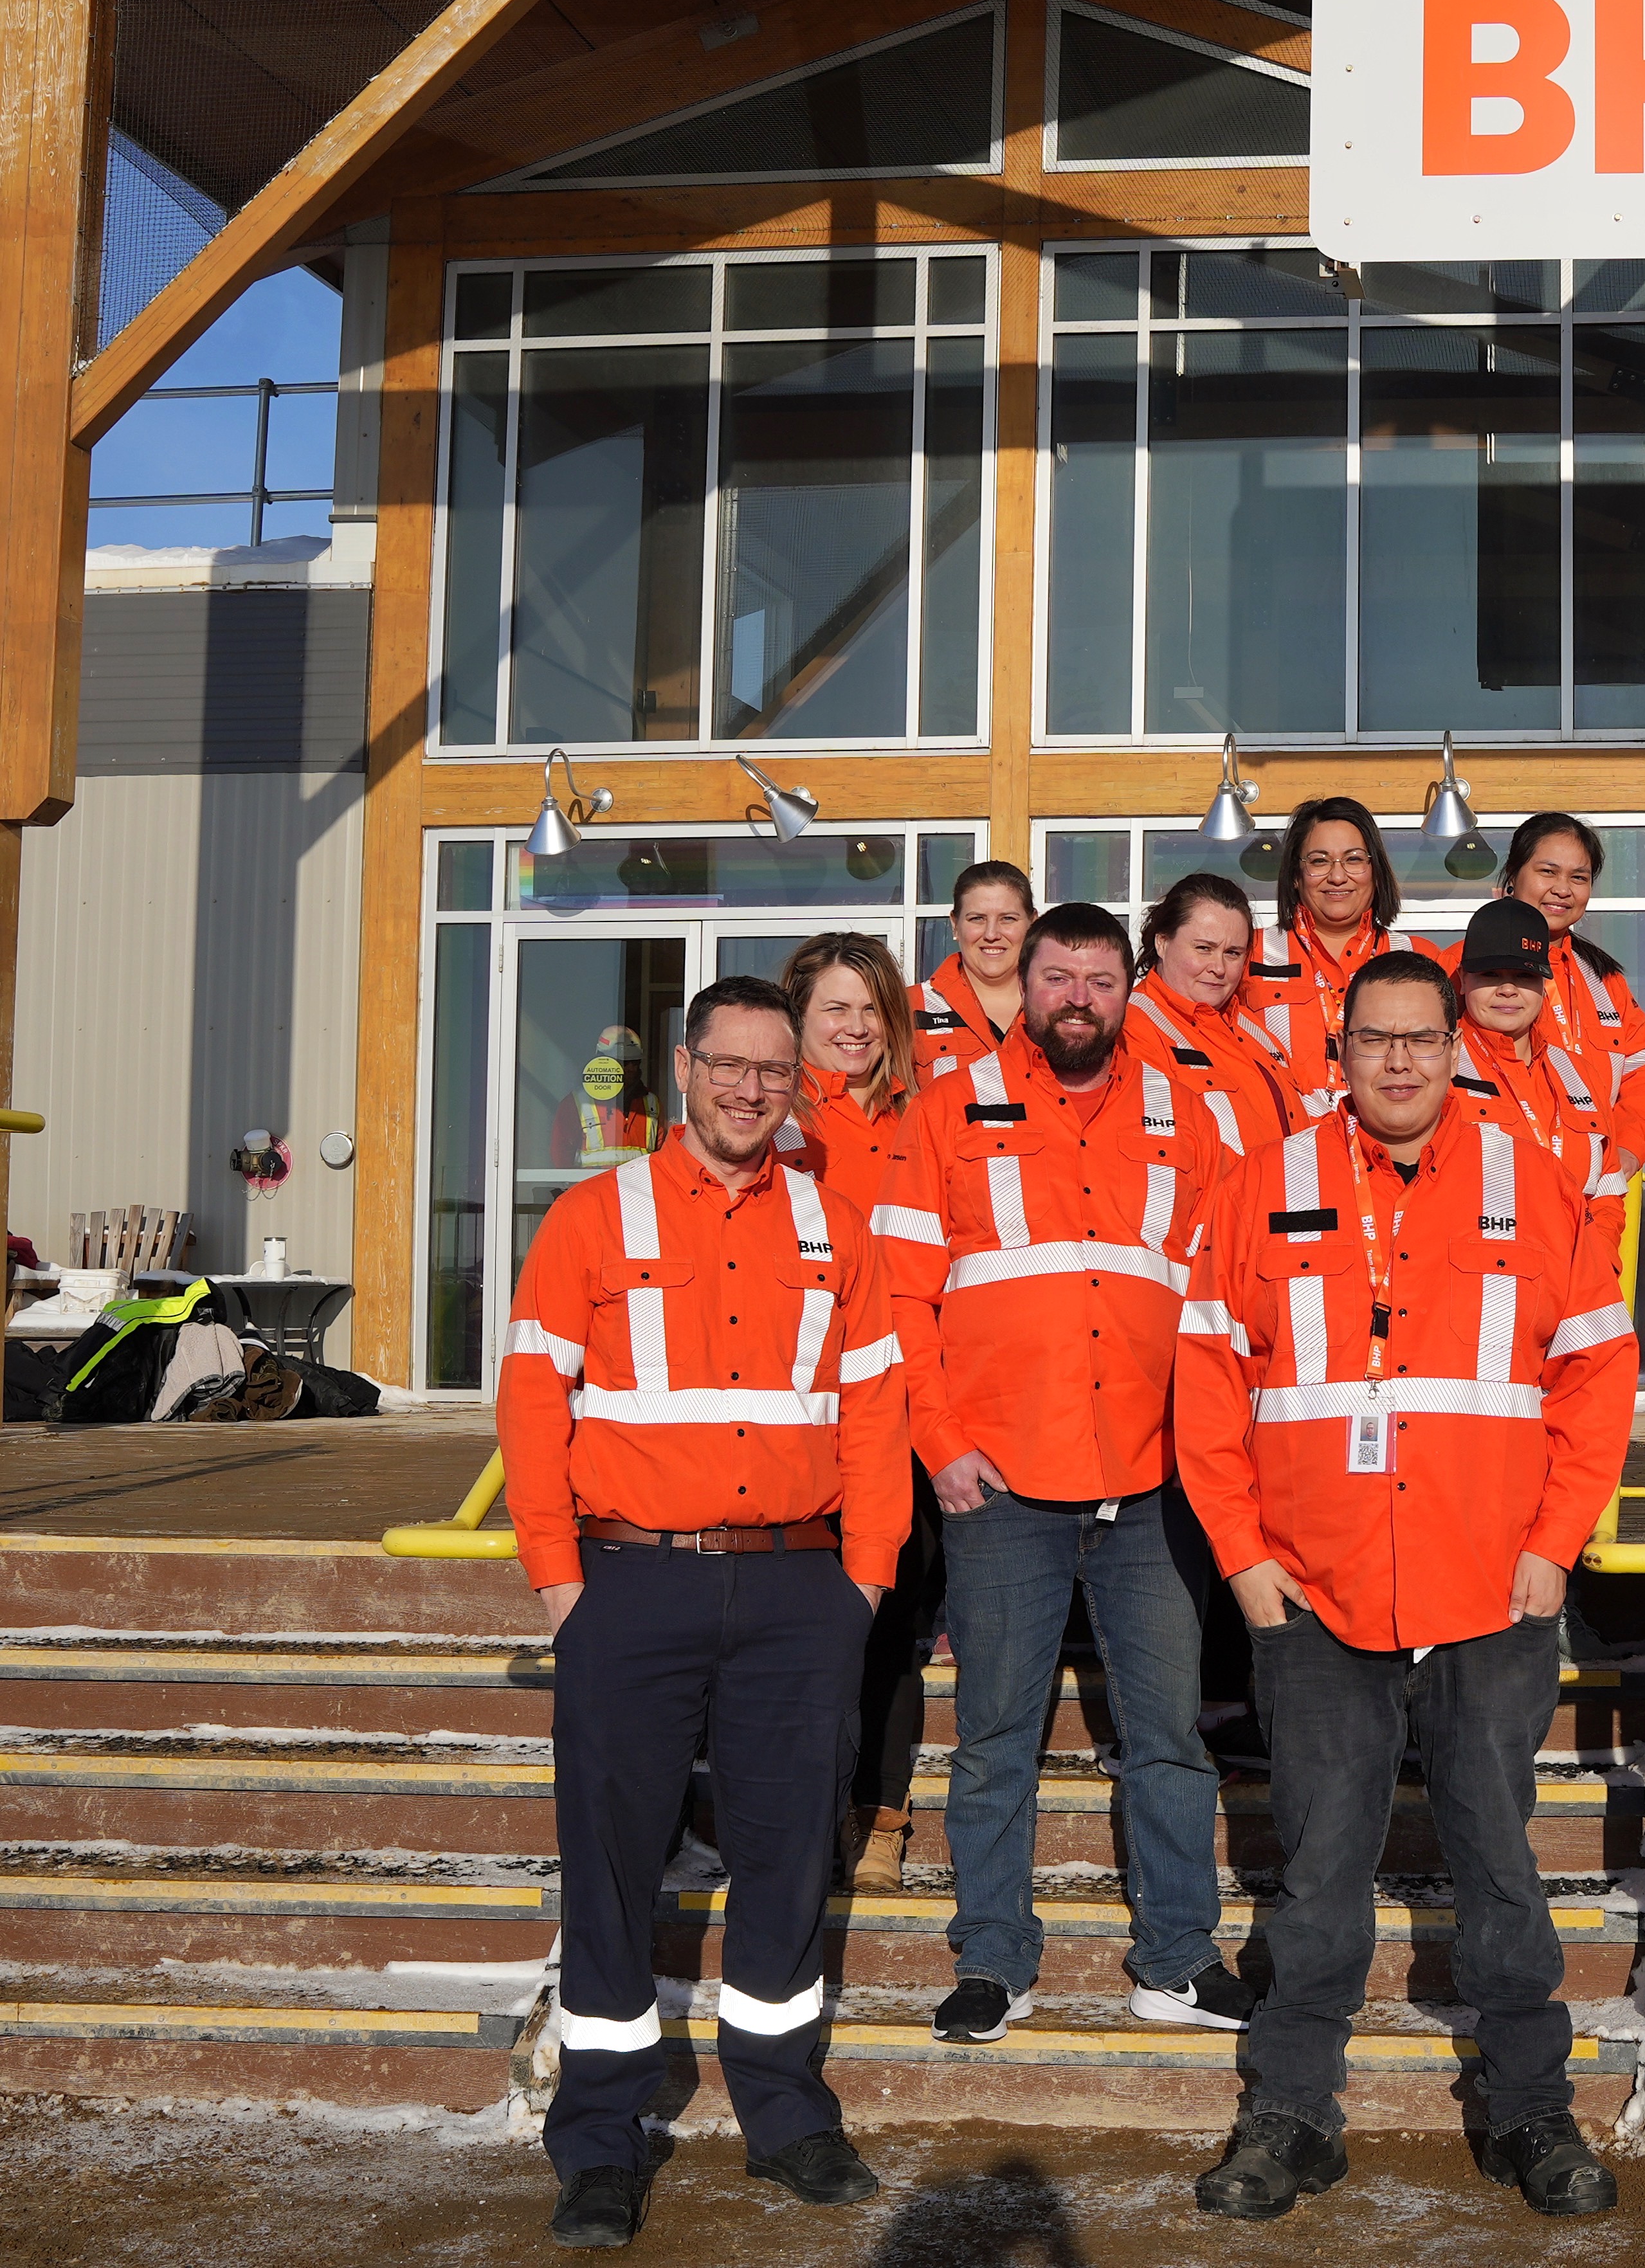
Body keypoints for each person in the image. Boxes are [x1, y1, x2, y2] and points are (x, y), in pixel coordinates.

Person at [1176, 951, 1640, 2223]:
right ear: (1339, 1050)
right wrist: (1244, 1558)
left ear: (1455, 1047)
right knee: (1321, 1869)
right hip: (1316, 1593)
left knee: (1500, 1861)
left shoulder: (1527, 1176)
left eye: (1421, 1039)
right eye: (1374, 1038)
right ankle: (1288, 2111)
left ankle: (1533, 2111)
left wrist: (1556, 1541)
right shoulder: (1265, 1184)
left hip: (1492, 1588)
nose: (1398, 1061)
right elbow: (1209, 1375)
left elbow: (1599, 1368)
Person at [497, 975, 906, 2249]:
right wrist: (562, 1583)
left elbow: (879, 1407)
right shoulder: (591, 1214)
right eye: (728, 1065)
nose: (749, 1090)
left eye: (773, 1072)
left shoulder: (839, 1227)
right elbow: (529, 1399)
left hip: (799, 1588)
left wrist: (866, 1575)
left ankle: (784, 2116)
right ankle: (603, 2138)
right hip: (628, 1581)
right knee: (612, 1860)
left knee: (788, 1855)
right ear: (685, 1067)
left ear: (800, 1085)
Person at [905, 902, 1249, 2047]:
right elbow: (898, 1297)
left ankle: (1178, 1959)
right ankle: (994, 1961)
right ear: (1025, 983)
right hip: (1000, 1482)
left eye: (1102, 980)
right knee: (996, 1737)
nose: (1080, 999)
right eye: (1060, 977)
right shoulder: (947, 1110)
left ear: (1129, 987)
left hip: (1150, 1480)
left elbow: (1224, 1296)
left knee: (1168, 1738)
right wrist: (938, 1437)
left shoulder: (1183, 1112)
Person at [777, 932, 949, 1897]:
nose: (854, 1027)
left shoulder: (929, 1122)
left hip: (908, 1410)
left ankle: (880, 1814)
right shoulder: (772, 1121)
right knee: (802, 1626)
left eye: (870, 1008)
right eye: (834, 1008)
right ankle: (802, 1802)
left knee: (887, 1624)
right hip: (801, 1409)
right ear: (799, 1016)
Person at [1497, 812, 1645, 1175]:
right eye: (1547, 872)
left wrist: (1627, 1150)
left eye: (1578, 878)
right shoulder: (1461, 968)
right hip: (1503, 1186)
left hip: (1598, 1194)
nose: (1563, 889)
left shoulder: (1603, 979)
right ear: (1513, 878)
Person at [1245, 797, 1436, 1105]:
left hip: (1385, 1146)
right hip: (1282, 1143)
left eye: (1354, 859)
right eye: (1319, 861)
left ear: (1376, 870)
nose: (1337, 876)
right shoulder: (1248, 953)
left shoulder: (1422, 957)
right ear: (1296, 875)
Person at [1451, 896, 1628, 1206]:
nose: (1508, 989)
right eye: (1491, 974)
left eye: (1524, 976)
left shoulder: (1580, 1073)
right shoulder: (1432, 1067)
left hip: (1579, 1251)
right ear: (1464, 980)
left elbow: (1608, 1191)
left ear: (1543, 985)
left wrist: (1597, 1253)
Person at [1125, 871, 1305, 1157]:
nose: (1219, 968)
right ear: (1162, 943)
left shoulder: (1250, 1026)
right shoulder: (1133, 1029)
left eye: (1233, 953)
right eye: (1204, 949)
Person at [912, 860, 1033, 1086]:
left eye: (1008, 919)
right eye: (977, 919)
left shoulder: (1062, 1004)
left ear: (1033, 923)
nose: (991, 934)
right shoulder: (908, 1007)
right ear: (955, 925)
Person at [552, 1025, 655, 1168]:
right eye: (625, 1063)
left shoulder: (651, 1104)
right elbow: (561, 1160)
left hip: (638, 1191)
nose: (631, 1068)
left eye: (636, 1062)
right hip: (591, 1190)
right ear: (603, 1061)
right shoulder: (577, 1104)